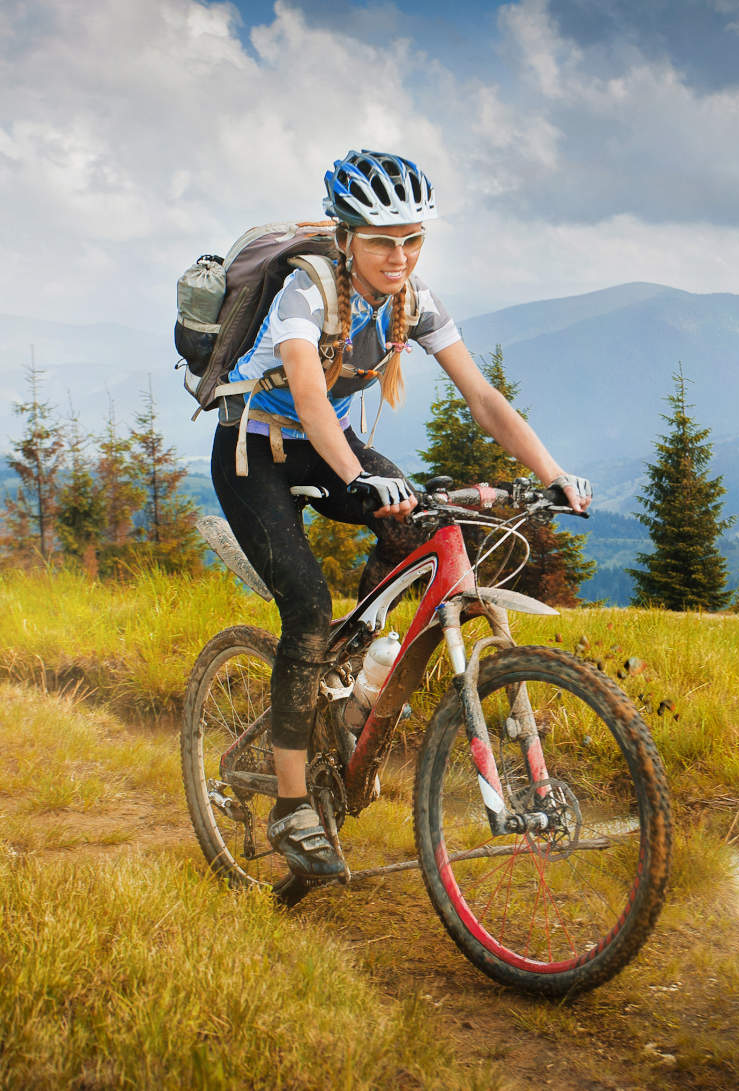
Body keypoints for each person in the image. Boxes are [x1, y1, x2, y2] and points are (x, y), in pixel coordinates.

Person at [210, 148, 592, 879]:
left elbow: (484, 399)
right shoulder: (306, 291)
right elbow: (312, 401)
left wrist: (552, 474)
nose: (400, 256)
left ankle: (360, 677)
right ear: (346, 236)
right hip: (256, 452)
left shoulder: (415, 301)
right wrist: (358, 477)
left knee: (428, 529)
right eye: (383, 241)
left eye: (413, 239)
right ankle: (292, 804)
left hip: (332, 449)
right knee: (307, 609)